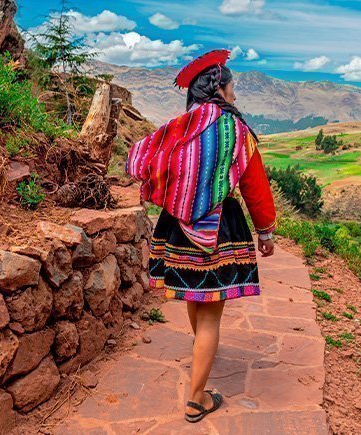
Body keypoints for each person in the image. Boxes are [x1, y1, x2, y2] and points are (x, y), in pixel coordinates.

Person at [126, 49, 276, 423]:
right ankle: (197, 399)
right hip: (221, 228)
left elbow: (141, 160)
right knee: (211, 317)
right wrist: (266, 231)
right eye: (232, 87)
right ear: (219, 90)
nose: (235, 95)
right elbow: (254, 187)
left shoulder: (178, 126)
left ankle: (200, 354)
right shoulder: (237, 131)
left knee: (197, 297)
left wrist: (168, 193)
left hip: (177, 225)